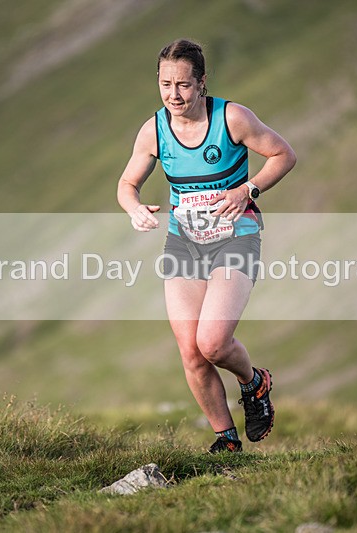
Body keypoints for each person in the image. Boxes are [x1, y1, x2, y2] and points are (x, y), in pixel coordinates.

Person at [117, 39, 296, 453]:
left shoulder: (232, 118)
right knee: (191, 352)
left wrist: (247, 190)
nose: (174, 95)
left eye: (183, 84)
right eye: (165, 84)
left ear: (201, 82)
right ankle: (226, 442)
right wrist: (134, 208)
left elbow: (283, 155)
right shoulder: (154, 130)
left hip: (236, 238)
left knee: (213, 343)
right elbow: (127, 183)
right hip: (184, 244)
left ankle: (255, 383)